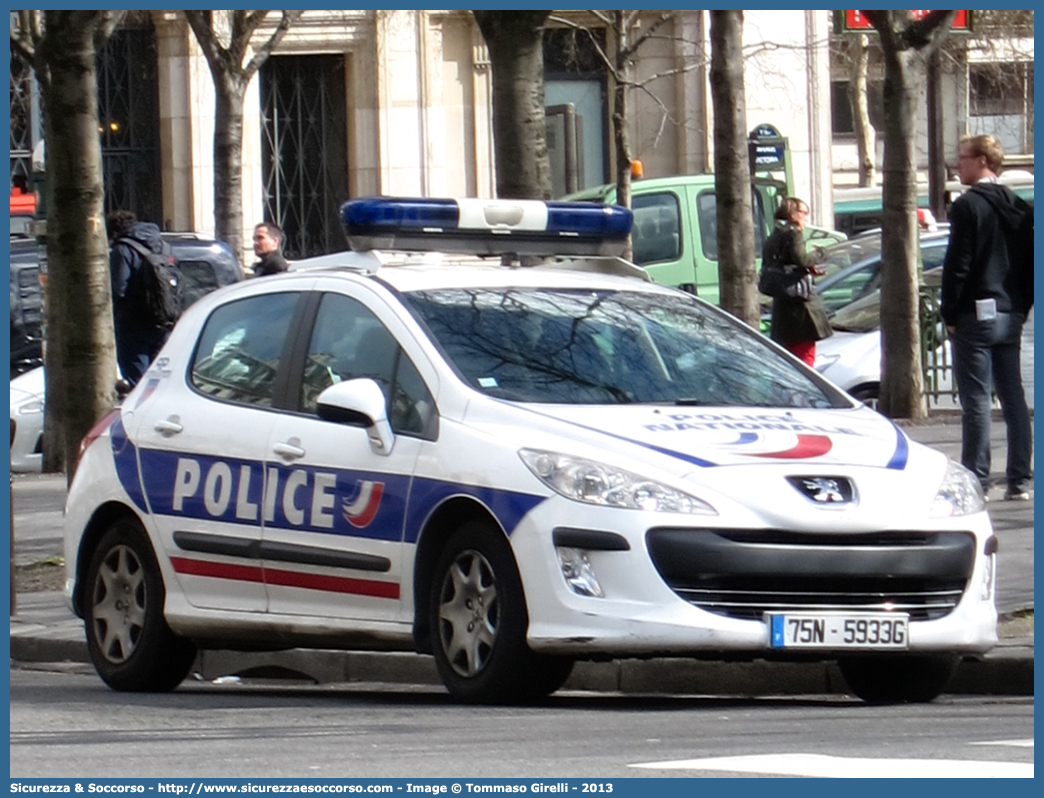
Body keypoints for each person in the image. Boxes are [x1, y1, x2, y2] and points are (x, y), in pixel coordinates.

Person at [941, 134, 1032, 501]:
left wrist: (950, 312)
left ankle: (977, 478)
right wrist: (1022, 306)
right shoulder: (1020, 207)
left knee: (976, 401)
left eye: (962, 158)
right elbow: (1030, 266)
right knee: (1013, 398)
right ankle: (1019, 479)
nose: (957, 164)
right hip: (1009, 312)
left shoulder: (967, 207)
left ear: (981, 161)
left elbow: (957, 265)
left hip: (975, 314)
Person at [760, 197, 832, 366]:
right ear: (793, 213)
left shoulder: (774, 236)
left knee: (787, 363)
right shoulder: (794, 233)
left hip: (782, 306)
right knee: (805, 359)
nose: (807, 218)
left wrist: (804, 268)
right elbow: (801, 258)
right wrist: (821, 254)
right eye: (804, 213)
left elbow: (779, 264)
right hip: (800, 307)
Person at [107, 210, 170, 387]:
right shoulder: (163, 246)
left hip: (133, 326)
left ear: (112, 232)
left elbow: (119, 289)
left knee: (139, 384)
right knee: (161, 383)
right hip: (163, 322)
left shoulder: (122, 249)